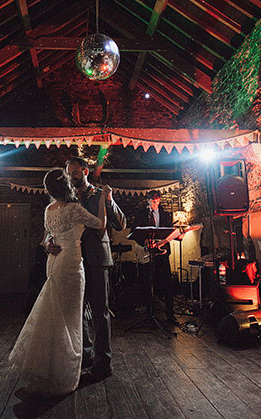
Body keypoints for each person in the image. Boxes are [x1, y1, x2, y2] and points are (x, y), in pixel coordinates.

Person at [9, 168, 106, 396]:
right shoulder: (73, 209)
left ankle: (46, 368)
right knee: (70, 317)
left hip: (53, 259)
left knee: (53, 313)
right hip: (70, 261)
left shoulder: (48, 209)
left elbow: (46, 237)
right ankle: (62, 374)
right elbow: (100, 224)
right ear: (67, 186)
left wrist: (48, 243)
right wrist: (103, 199)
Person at [45, 157, 127, 383]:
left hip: (97, 258)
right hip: (71, 261)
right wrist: (48, 242)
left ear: (85, 171)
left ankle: (104, 363)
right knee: (77, 312)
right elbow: (54, 227)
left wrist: (109, 200)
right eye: (68, 173)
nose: (70, 177)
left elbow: (121, 224)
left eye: (73, 172)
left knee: (100, 312)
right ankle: (86, 354)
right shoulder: (66, 197)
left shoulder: (101, 194)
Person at [134, 190, 177, 325]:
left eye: (157, 201)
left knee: (167, 284)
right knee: (147, 283)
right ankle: (150, 315)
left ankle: (170, 315)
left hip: (162, 253)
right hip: (147, 254)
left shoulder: (165, 215)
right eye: (152, 201)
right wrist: (145, 241)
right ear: (147, 201)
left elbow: (170, 232)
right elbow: (134, 233)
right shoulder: (141, 215)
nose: (155, 204)